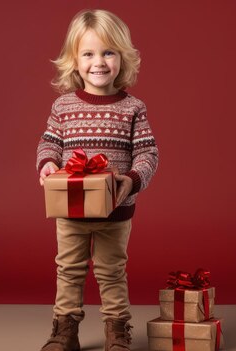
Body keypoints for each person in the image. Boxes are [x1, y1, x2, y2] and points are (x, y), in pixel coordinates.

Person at [35, 8, 158, 351]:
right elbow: (49, 143)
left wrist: (131, 180)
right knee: (69, 269)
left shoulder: (133, 108)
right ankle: (65, 330)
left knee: (112, 271)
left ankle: (116, 331)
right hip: (70, 208)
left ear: (122, 57)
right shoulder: (63, 107)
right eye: (88, 53)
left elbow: (149, 154)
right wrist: (46, 164)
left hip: (115, 211)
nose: (99, 62)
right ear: (74, 60)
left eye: (108, 52)